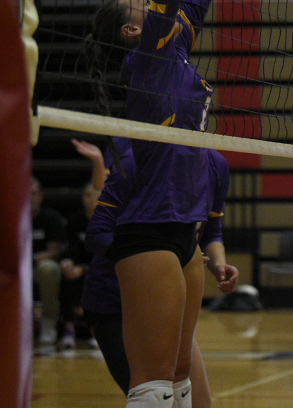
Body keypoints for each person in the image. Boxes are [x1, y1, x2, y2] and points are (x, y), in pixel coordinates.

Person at [82, 0, 218, 408]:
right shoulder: (149, 56)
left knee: (184, 387)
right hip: (145, 231)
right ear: (134, 29)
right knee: (156, 386)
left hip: (182, 232)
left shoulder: (176, 47)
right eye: (142, 4)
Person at [83, 137, 237, 406]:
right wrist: (153, 262)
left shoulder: (214, 164)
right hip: (114, 304)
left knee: (198, 401)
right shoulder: (137, 162)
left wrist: (218, 263)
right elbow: (97, 233)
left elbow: (211, 230)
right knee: (154, 393)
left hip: (170, 304)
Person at [58, 182, 100, 349]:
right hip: (78, 268)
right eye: (87, 195)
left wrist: (84, 268)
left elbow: (106, 255)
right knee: (67, 278)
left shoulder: (108, 221)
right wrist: (67, 262)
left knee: (98, 281)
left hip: (99, 269)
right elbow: (69, 247)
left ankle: (96, 332)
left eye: (96, 196)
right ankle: (68, 329)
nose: (91, 200)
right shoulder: (75, 220)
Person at [31, 177, 67, 346]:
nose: (30, 197)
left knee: (49, 269)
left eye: (34, 193)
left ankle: (48, 321)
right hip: (14, 266)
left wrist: (29, 259)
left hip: (36, 264)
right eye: (26, 193)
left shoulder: (51, 217)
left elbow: (53, 252)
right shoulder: (10, 217)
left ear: (41, 196)